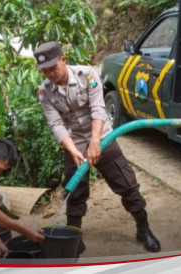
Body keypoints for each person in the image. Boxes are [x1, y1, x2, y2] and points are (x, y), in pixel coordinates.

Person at [34, 41, 161, 253]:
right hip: (73, 142)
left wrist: (95, 143)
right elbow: (56, 124)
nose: (49, 74)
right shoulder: (44, 92)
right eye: (44, 71)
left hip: (102, 136)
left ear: (63, 60)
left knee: (127, 183)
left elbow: (98, 109)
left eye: (53, 68)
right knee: (74, 190)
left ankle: (143, 228)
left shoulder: (87, 75)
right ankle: (74, 236)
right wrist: (73, 150)